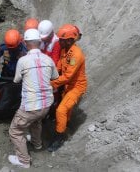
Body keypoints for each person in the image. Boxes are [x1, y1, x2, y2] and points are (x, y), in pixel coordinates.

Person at [8, 29, 59, 168]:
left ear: (25, 43)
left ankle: (24, 161)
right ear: (39, 42)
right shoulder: (48, 59)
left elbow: (16, 80)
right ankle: (37, 144)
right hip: (47, 104)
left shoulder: (23, 61)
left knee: (15, 131)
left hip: (31, 105)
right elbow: (55, 77)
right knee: (36, 122)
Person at [47, 24, 87, 152]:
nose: (59, 41)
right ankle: (65, 125)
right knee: (66, 111)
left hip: (76, 87)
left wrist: (52, 84)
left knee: (61, 110)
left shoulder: (76, 55)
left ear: (70, 40)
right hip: (68, 87)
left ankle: (60, 137)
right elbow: (59, 67)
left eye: (62, 40)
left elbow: (68, 76)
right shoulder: (65, 50)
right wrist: (49, 75)